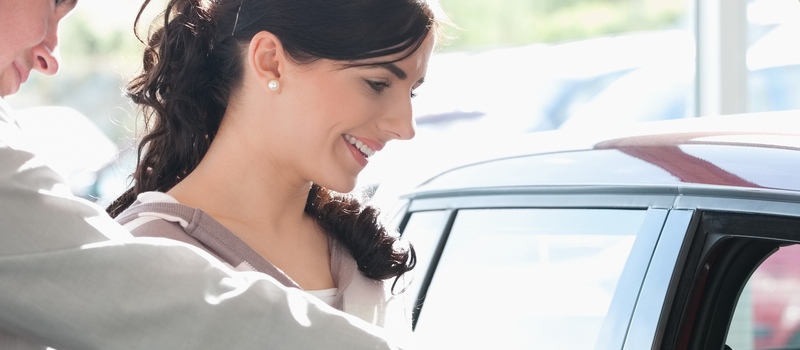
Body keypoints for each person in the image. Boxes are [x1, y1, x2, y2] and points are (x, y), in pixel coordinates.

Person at [0, 0, 438, 348]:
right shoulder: (152, 243)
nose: (406, 126)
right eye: (377, 83)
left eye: (412, 92)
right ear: (270, 62)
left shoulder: (365, 244)